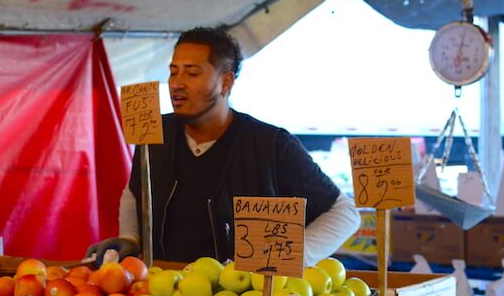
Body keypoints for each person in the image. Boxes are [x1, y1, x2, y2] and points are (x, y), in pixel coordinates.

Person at [86, 27, 360, 266]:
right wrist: (130, 239)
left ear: (225, 81)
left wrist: (290, 258)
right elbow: (135, 192)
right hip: (161, 295)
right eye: (173, 72)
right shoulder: (155, 133)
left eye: (192, 73)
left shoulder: (270, 144)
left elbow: (344, 213)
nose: (177, 84)